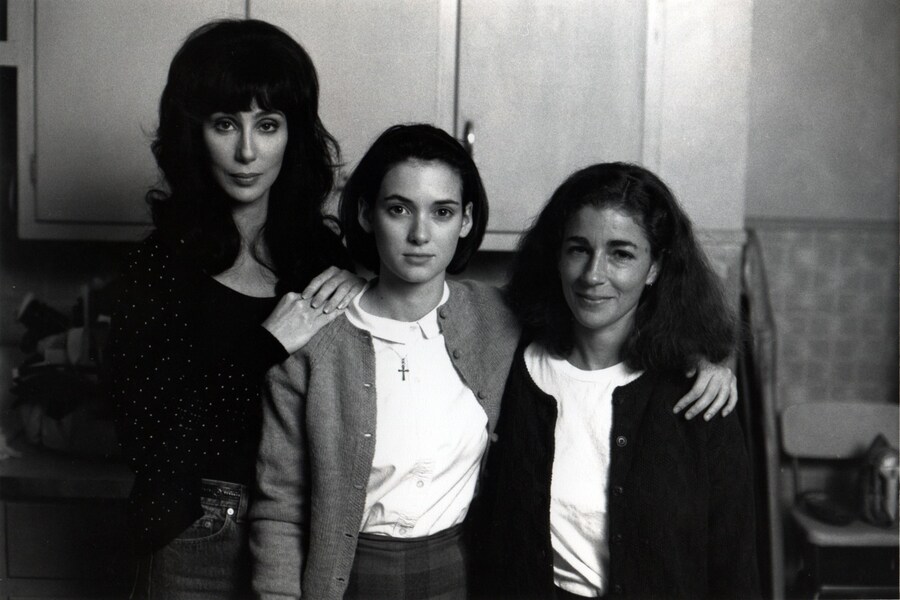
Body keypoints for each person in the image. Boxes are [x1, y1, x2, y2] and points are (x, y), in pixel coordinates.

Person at [249, 125, 738, 600]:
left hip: (461, 572)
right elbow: (281, 506)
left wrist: (708, 360)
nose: (420, 233)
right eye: (399, 209)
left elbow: (615, 321)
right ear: (365, 213)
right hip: (346, 574)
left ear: (464, 221)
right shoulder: (314, 338)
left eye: (441, 211)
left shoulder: (495, 318)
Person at [109, 19, 364, 599]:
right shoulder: (158, 267)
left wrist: (365, 296)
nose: (247, 151)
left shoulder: (323, 260)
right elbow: (146, 440)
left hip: (307, 530)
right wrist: (267, 346)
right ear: (192, 132)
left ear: (292, 135)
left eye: (267, 125)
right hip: (194, 532)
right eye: (226, 124)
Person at [469, 162, 760, 599]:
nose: (593, 275)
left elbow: (734, 565)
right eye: (578, 249)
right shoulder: (508, 367)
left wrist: (710, 361)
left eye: (621, 253)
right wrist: (355, 283)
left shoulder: (698, 397)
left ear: (655, 267)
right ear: (557, 254)